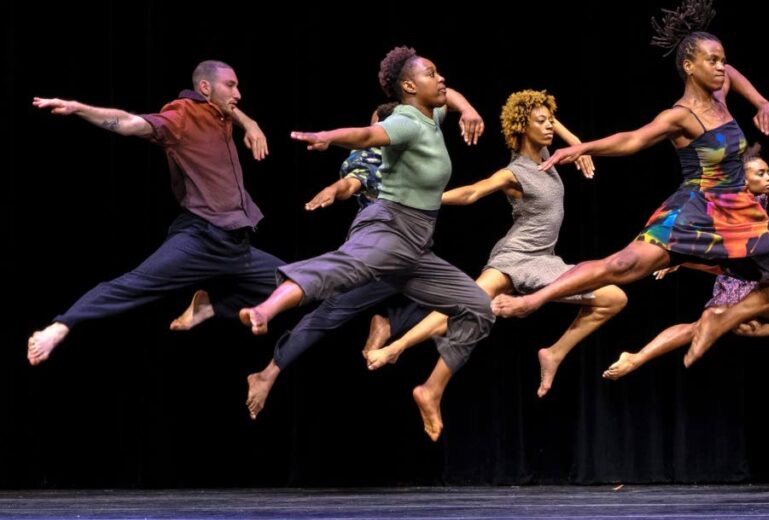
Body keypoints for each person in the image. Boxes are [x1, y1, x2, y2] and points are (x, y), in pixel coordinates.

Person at [491, 1, 769, 369]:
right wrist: (585, 147)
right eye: (710, 60)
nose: (719, 66)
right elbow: (633, 139)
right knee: (623, 264)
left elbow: (733, 75)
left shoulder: (720, 95)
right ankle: (532, 301)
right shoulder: (679, 116)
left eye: (721, 59)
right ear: (688, 66)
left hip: (739, 209)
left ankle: (724, 318)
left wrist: (761, 101)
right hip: (697, 208)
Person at [241, 46, 494, 440]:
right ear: (409, 88)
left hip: (416, 245)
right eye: (432, 73)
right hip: (387, 231)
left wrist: (470, 110)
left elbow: (452, 95)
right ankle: (266, 311)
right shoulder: (404, 124)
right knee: (337, 279)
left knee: (478, 306)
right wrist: (329, 139)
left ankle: (428, 386)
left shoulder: (430, 116)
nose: (441, 78)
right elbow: (364, 139)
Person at [364, 89, 623, 398]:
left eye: (551, 121)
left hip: (545, 260)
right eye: (541, 122)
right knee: (467, 303)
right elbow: (473, 192)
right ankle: (396, 347)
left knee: (613, 298)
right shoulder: (514, 172)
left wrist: (579, 146)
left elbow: (559, 127)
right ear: (523, 127)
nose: (550, 127)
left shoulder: (546, 156)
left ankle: (554, 353)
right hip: (514, 256)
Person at [27, 60, 283, 366]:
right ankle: (60, 326)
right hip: (201, 237)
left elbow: (231, 108)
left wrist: (250, 123)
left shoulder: (221, 110)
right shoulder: (182, 115)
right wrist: (80, 108)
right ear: (205, 88)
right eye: (231, 85)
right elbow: (129, 123)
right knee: (134, 284)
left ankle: (208, 309)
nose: (238, 93)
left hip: (237, 244)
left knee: (292, 282)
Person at [604, 147, 769, 379]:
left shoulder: (756, 194)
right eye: (761, 174)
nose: (768, 178)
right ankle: (636, 358)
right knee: (698, 327)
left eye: (768, 173)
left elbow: (761, 179)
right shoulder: (723, 209)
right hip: (742, 279)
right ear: (742, 180)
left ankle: (754, 329)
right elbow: (712, 254)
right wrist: (678, 260)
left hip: (765, 273)